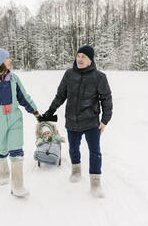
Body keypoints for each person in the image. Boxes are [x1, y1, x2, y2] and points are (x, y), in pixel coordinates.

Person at [43, 45, 113, 198]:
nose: (80, 59)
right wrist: (50, 110)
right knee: (73, 148)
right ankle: (76, 170)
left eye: (84, 57)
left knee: (95, 152)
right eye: (78, 55)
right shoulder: (69, 74)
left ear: (90, 60)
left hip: (91, 121)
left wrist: (104, 120)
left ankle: (95, 183)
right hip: (72, 120)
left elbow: (106, 100)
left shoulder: (99, 77)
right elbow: (61, 95)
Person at [0, 46, 41, 198]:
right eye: (7, 58)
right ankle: (3, 173)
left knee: (16, 151)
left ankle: (18, 186)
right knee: (1, 150)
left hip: (14, 120)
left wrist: (36, 112)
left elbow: (24, 97)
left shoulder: (14, 78)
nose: (10, 60)